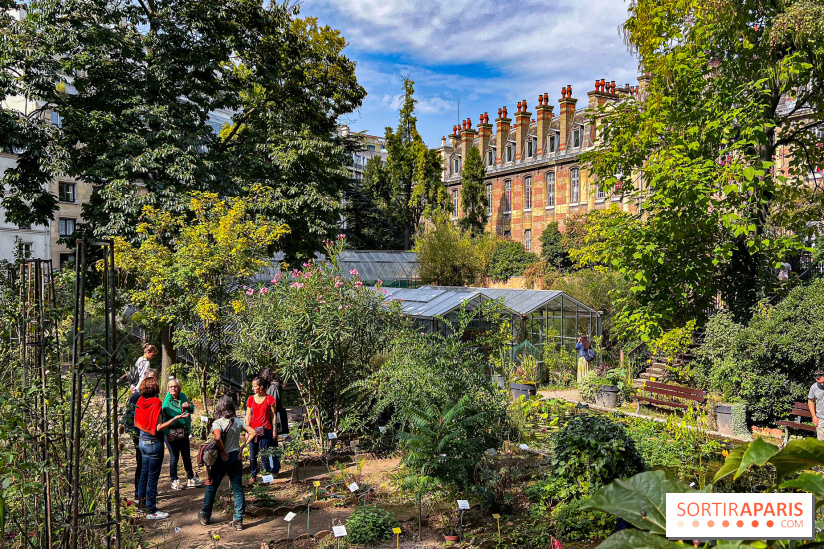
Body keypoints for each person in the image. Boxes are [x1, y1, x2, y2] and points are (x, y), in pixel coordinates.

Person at [134, 377, 189, 520]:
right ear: (155, 388)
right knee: (152, 478)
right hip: (154, 443)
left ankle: (141, 506)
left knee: (144, 475)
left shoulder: (140, 401)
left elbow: (138, 421)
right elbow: (158, 427)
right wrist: (174, 419)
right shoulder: (156, 402)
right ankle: (152, 509)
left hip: (142, 441)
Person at [199, 395, 256, 531]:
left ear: (220, 407)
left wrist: (223, 451)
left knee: (212, 487)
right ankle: (238, 520)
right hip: (236, 458)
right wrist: (242, 448)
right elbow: (252, 432)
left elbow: (217, 437)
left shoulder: (218, 423)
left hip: (221, 459)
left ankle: (206, 516)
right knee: (238, 489)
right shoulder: (238, 422)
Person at [162, 377, 204, 490]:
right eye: (171, 387)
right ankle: (174, 479)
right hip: (171, 433)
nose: (173, 389)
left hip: (183, 432)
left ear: (179, 387)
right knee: (174, 457)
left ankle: (190, 478)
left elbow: (191, 410)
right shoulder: (166, 403)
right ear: (168, 389)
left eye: (175, 386)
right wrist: (167, 433)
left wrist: (189, 406)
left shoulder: (183, 396)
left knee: (186, 455)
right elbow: (162, 420)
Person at [123, 368, 157, 500]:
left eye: (155, 378)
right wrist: (138, 434)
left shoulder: (153, 395)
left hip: (150, 434)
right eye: (151, 378)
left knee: (149, 464)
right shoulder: (137, 396)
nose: (154, 381)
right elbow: (130, 418)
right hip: (140, 435)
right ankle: (139, 493)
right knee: (142, 463)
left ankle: (148, 490)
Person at [245, 376, 279, 483]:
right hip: (253, 431)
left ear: (261, 387)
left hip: (266, 430)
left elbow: (274, 415)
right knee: (252, 455)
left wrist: (274, 430)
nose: (253, 388)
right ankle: (253, 475)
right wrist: (247, 430)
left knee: (264, 454)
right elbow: (248, 416)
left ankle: (266, 476)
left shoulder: (270, 399)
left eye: (255, 386)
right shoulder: (251, 399)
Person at [260, 367, 289, 437]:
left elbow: (274, 403)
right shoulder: (270, 386)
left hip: (273, 414)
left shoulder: (273, 387)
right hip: (270, 414)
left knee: (273, 436)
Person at [807, 370, 824, 441]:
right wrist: (814, 416)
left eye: (823, 382)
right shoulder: (814, 387)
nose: (822, 384)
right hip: (820, 419)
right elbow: (810, 401)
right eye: (820, 383)